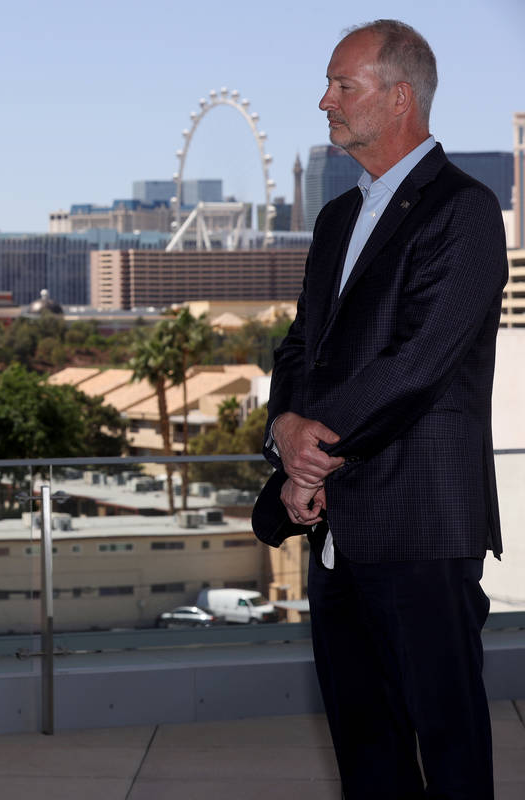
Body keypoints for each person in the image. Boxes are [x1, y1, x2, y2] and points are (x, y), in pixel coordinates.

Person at [253, 20, 507, 798]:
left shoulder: (463, 211)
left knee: (451, 749)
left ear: (399, 98)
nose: (323, 99)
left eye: (343, 84)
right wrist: (283, 429)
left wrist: (311, 452)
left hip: (424, 523)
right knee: (367, 756)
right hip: (337, 531)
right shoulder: (336, 220)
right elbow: (301, 350)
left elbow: (418, 364)